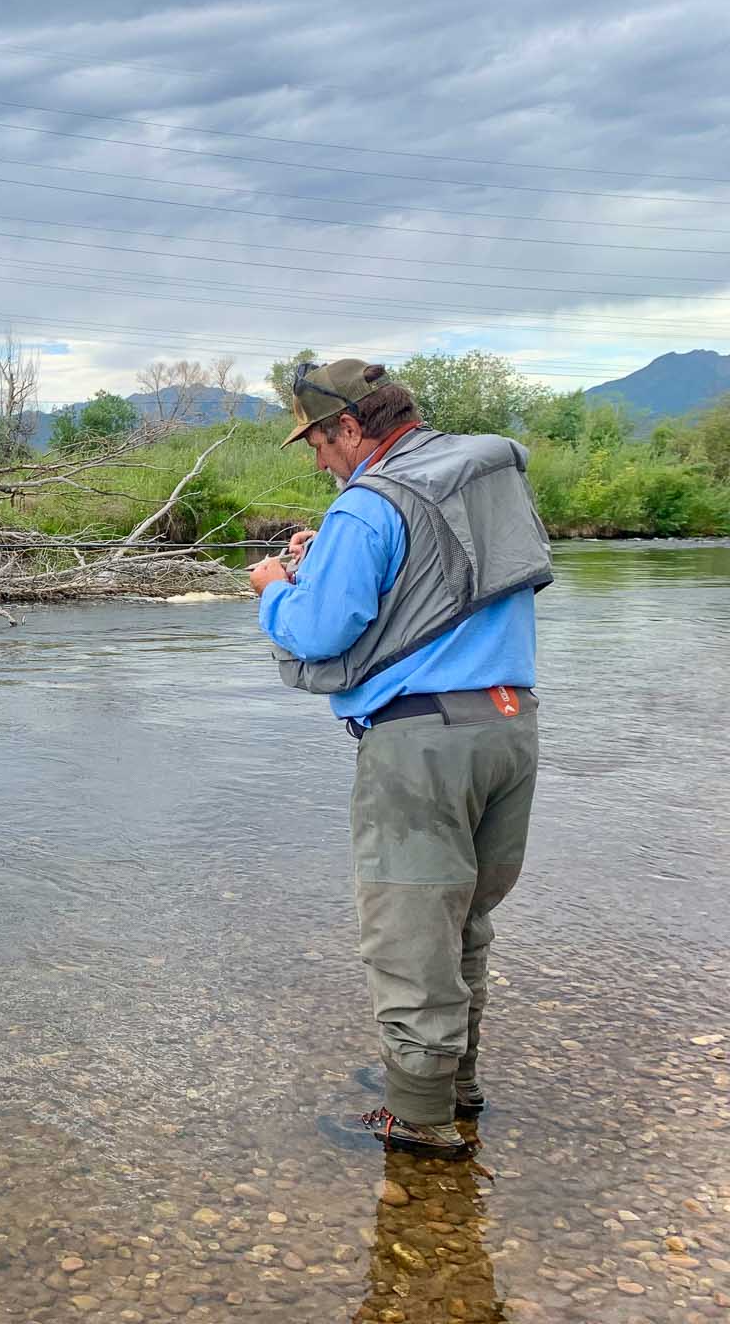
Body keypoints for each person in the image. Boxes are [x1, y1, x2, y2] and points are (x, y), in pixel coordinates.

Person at [248, 356, 552, 1159]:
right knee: (463, 922)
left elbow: (316, 633)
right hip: (510, 726)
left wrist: (278, 585)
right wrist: (333, 553)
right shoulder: (485, 476)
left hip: (423, 743)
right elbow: (437, 580)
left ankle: (419, 1119)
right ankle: (454, 1085)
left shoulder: (368, 504)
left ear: (350, 426)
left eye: (315, 440)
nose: (317, 461)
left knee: (412, 929)